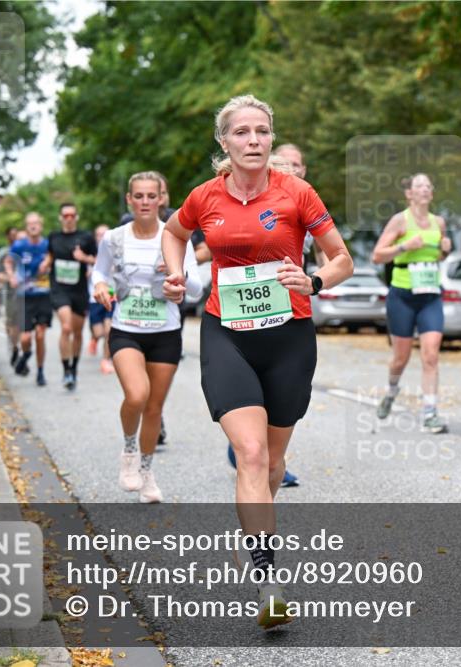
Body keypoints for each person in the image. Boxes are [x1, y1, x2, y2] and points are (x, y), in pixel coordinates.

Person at [161, 94, 353, 629]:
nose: (253, 141)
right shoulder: (205, 197)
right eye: (241, 132)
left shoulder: (297, 192)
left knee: (271, 464)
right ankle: (268, 578)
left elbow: (342, 259)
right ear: (223, 141)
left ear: (271, 138)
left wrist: (312, 281)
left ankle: (255, 533)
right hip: (228, 335)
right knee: (247, 454)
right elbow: (174, 232)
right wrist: (178, 276)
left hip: (289, 335)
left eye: (262, 132)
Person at [92, 172, 202, 504]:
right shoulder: (113, 238)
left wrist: (177, 277)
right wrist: (98, 286)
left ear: (161, 199)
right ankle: (128, 449)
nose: (144, 202)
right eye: (138, 196)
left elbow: (196, 289)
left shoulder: (176, 239)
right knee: (137, 395)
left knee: (154, 409)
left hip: (166, 332)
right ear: (129, 200)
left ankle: (146, 471)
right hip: (126, 328)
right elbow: (99, 271)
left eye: (150, 196)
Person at [224, 142, 317, 486]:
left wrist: (316, 279)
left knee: (279, 396)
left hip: (290, 308)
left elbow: (331, 251)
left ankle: (267, 457)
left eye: (297, 165)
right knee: (249, 392)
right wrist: (183, 267)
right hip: (241, 309)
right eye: (284, 164)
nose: (291, 169)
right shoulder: (255, 199)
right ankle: (249, 447)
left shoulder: (306, 200)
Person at [371, 173, 452, 434]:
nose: (425, 189)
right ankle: (392, 391)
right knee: (400, 359)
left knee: (431, 355)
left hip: (430, 296)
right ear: (410, 194)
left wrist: (446, 250)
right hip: (403, 296)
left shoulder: (439, 222)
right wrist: (404, 246)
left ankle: (430, 412)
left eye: (429, 185)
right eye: (420, 185)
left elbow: (438, 254)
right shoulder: (400, 221)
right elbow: (377, 255)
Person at [48, 203, 98, 390]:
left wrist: (84, 259)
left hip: (79, 291)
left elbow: (99, 259)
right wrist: (44, 265)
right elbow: (49, 256)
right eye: (65, 215)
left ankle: (74, 369)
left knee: (77, 333)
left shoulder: (85, 237)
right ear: (60, 217)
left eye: (72, 215)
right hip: (59, 289)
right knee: (66, 328)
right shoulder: (53, 236)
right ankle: (66, 370)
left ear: (76, 217)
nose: (68, 218)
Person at [7, 212, 52, 386]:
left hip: (43, 295)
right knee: (25, 338)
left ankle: (40, 372)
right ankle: (26, 354)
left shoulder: (47, 245)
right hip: (24, 296)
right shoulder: (19, 246)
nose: (33, 226)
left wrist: (47, 263)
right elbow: (8, 262)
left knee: (40, 335)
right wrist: (11, 276)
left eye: (36, 223)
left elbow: (53, 255)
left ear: (41, 226)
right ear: (26, 227)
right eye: (30, 223)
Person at [87, 224, 115, 374]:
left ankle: (106, 359)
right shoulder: (90, 252)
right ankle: (94, 339)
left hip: (112, 296)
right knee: (99, 332)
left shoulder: (116, 250)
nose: (102, 237)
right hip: (94, 298)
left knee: (108, 330)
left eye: (105, 234)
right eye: (99, 234)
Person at [0, 226, 22, 366]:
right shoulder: (3, 253)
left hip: (24, 293)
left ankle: (17, 345)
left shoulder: (24, 249)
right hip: (9, 293)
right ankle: (13, 345)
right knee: (11, 322)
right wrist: (5, 277)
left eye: (16, 235)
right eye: (12, 235)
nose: (14, 237)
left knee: (20, 323)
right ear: (7, 237)